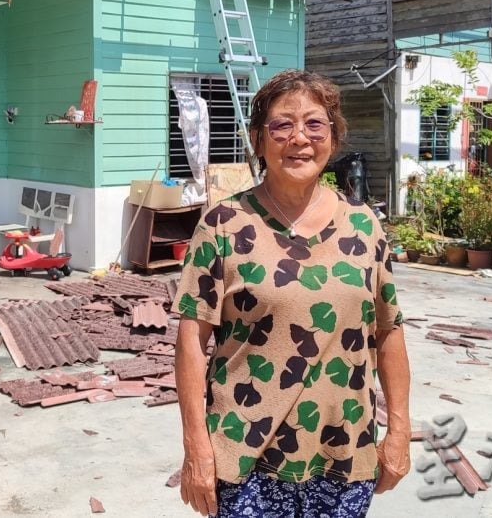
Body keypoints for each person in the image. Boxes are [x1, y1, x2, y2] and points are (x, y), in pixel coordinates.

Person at [172, 70, 411, 517]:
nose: (299, 138)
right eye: (281, 126)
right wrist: (196, 447)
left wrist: (398, 430)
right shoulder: (224, 224)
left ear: (333, 138)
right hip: (246, 457)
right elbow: (190, 340)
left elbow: (389, 330)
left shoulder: (364, 225)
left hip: (343, 452)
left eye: (314, 124)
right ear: (259, 142)